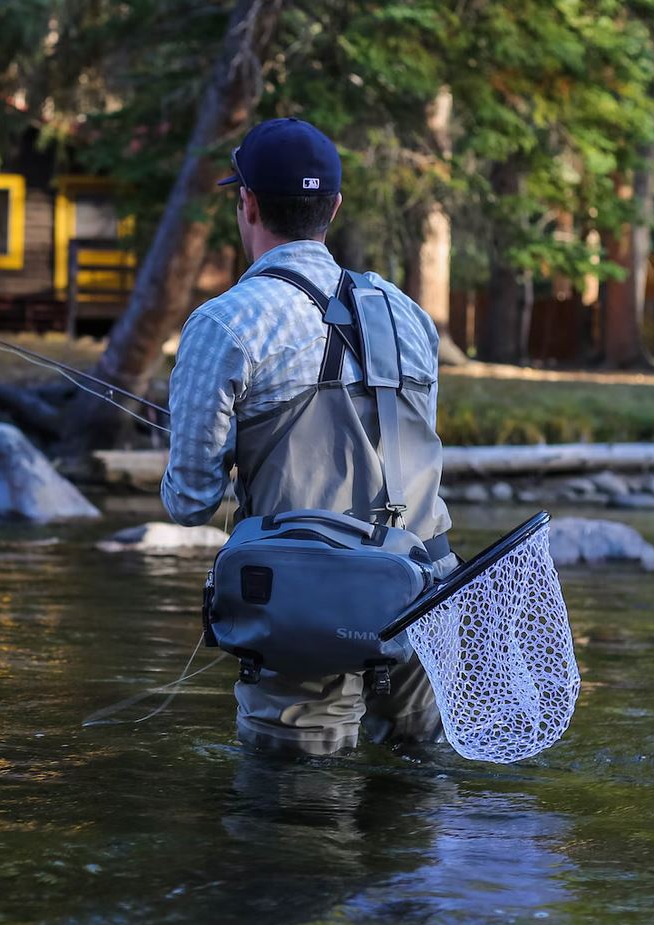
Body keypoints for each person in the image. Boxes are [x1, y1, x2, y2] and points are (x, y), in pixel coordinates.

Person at [160, 118, 455, 757]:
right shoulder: (409, 313)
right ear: (335, 207)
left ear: (249, 203)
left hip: (306, 615)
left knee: (295, 825)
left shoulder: (226, 323)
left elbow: (189, 501)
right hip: (429, 599)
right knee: (416, 815)